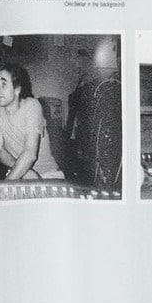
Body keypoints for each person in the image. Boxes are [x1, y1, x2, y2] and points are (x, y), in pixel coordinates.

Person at [0, 64, 64, 180]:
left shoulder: (32, 105)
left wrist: (7, 184)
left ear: (17, 89)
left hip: (47, 175)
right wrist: (25, 171)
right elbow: (0, 150)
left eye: (3, 84)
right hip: (20, 172)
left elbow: (30, 154)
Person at [66, 37, 122, 193]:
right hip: (83, 128)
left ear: (85, 60)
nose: (75, 64)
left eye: (77, 60)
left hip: (90, 130)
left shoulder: (95, 79)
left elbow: (80, 99)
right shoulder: (86, 78)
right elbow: (74, 100)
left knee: (92, 170)